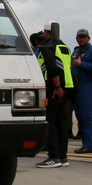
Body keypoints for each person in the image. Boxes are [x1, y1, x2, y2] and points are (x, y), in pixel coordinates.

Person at [35, 22, 74, 168]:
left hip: (54, 88)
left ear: (48, 32)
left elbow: (52, 68)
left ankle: (53, 156)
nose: (44, 35)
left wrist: (56, 87)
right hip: (68, 87)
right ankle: (63, 156)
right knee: (61, 122)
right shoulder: (64, 46)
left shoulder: (48, 46)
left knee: (50, 122)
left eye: (45, 32)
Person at [71, 29, 92, 154]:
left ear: (88, 38)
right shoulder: (75, 52)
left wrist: (82, 64)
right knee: (79, 116)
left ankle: (89, 144)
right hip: (76, 87)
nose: (82, 39)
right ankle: (85, 142)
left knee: (87, 116)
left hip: (87, 86)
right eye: (80, 37)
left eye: (84, 37)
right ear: (76, 38)